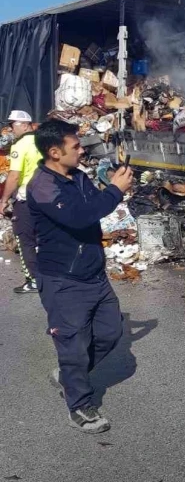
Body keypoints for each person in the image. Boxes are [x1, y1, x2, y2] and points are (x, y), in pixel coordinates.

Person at [26, 119, 135, 433]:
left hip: (94, 275)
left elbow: (93, 207)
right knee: (72, 346)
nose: (80, 150)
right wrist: (115, 189)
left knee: (111, 333)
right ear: (54, 152)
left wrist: (113, 187)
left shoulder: (78, 176)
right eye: (75, 147)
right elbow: (78, 216)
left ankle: (69, 374)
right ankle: (80, 405)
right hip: (63, 279)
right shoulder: (42, 185)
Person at [0, 110, 42, 293]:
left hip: (27, 199)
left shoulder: (20, 145)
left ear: (25, 125)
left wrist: (4, 200)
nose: (10, 129)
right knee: (45, 238)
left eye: (13, 125)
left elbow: (15, 176)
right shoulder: (43, 141)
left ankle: (33, 280)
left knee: (25, 239)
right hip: (48, 197)